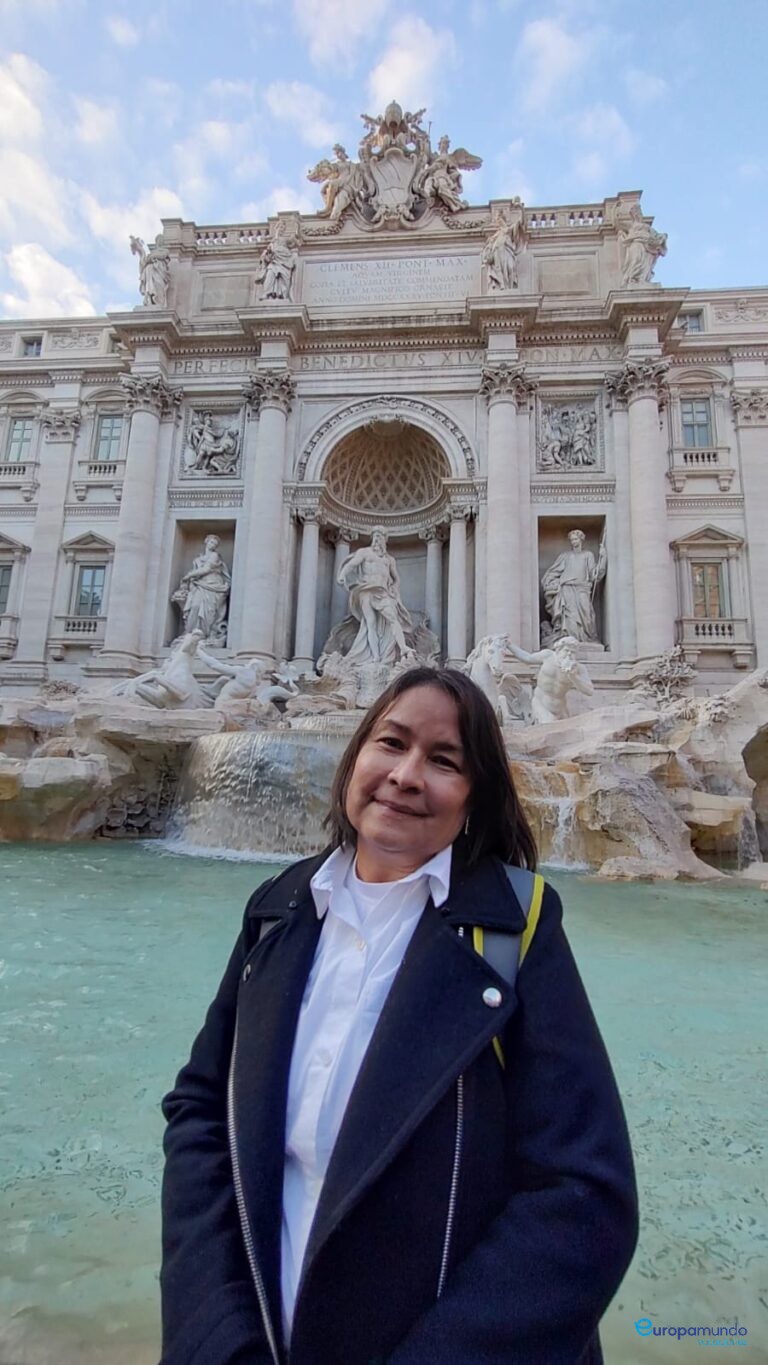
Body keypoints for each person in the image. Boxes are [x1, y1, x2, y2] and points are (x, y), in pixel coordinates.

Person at [160, 666, 638, 1365]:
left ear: (475, 795)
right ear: (355, 755)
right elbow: (200, 1111)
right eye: (391, 742)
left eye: (444, 760)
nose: (406, 775)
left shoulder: (517, 929)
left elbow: (586, 1195)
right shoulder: (277, 907)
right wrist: (215, 1334)